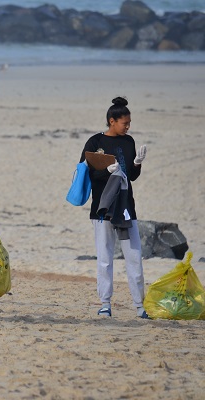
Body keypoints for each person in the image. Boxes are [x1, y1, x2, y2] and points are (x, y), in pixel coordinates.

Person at [79, 97, 149, 319]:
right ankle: (105, 304)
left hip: (126, 207)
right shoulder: (94, 142)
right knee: (105, 257)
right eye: (124, 123)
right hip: (102, 208)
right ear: (112, 121)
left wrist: (137, 163)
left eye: (129, 123)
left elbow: (132, 176)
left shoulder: (129, 142)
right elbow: (87, 173)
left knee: (134, 257)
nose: (128, 126)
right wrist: (106, 171)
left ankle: (140, 306)